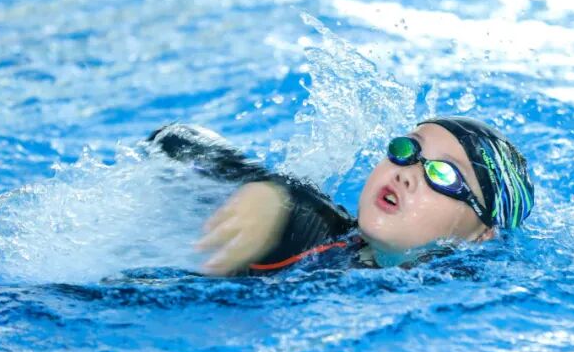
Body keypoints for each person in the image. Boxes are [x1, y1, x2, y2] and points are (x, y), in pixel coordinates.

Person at [147, 116, 534, 275]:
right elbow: (172, 139)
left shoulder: (462, 301)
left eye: (443, 174)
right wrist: (265, 189)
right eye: (408, 149)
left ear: (483, 233)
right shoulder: (320, 234)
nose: (408, 174)